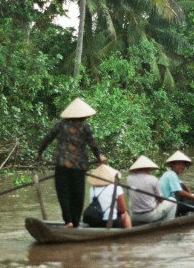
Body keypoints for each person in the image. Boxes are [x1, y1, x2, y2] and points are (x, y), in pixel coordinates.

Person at [36, 98, 105, 228]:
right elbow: (93, 144)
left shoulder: (61, 125)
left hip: (61, 165)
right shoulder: (85, 127)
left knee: (63, 193)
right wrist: (99, 157)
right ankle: (75, 222)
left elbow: (47, 138)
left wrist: (39, 153)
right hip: (78, 166)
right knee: (77, 194)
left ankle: (68, 221)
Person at [126, 155, 177, 225]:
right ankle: (169, 224)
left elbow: (129, 195)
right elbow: (160, 199)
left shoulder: (129, 178)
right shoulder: (153, 179)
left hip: (133, 216)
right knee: (173, 200)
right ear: (148, 168)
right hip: (149, 216)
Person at [158, 151, 194, 216]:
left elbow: (182, 184)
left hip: (167, 204)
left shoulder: (169, 173)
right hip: (169, 206)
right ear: (172, 165)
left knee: (188, 197)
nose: (182, 167)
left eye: (183, 165)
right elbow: (179, 192)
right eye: (179, 164)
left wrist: (191, 195)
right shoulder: (172, 175)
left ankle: (184, 212)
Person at [85, 164, 132, 228]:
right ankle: (128, 235)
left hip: (93, 220)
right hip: (110, 222)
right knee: (126, 214)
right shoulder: (117, 188)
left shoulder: (92, 188)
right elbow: (122, 209)